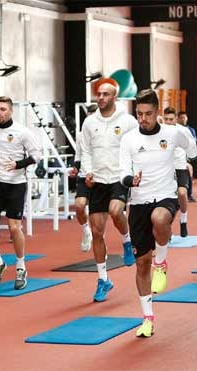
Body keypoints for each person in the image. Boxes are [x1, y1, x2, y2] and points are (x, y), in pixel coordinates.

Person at [120, 89, 197, 337]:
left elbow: (192, 150)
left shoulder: (174, 133)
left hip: (165, 196)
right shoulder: (128, 139)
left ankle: (162, 262)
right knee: (141, 264)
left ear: (157, 112)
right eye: (139, 114)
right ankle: (147, 318)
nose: (143, 119)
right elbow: (122, 172)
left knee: (159, 218)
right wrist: (130, 180)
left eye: (148, 114)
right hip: (138, 201)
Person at [80, 82, 137, 302]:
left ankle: (127, 240)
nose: (101, 97)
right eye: (99, 94)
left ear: (115, 97)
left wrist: (132, 173)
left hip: (119, 177)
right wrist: (87, 172)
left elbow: (136, 146)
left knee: (116, 211)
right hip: (98, 180)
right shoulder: (89, 122)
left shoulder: (127, 121)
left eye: (106, 94)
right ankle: (103, 279)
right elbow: (85, 150)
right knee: (97, 232)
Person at [0, 96, 40, 289]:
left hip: (16, 183)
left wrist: (18, 164)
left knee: (14, 228)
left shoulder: (22, 132)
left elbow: (36, 155)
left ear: (10, 111)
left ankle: (21, 267)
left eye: (3, 109)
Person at [163, 107, 197, 237]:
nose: (168, 122)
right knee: (167, 201)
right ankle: (166, 228)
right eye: (166, 119)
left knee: (182, 193)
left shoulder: (183, 131)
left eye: (171, 119)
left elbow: (191, 148)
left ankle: (183, 221)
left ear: (176, 119)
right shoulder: (159, 130)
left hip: (180, 166)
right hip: (165, 169)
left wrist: (189, 162)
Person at [68, 104, 97, 252]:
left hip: (100, 176)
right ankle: (86, 232)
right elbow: (78, 156)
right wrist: (76, 168)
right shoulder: (80, 135)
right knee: (79, 206)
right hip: (84, 175)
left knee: (96, 217)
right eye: (89, 116)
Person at [177, 111, 197, 202]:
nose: (183, 119)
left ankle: (189, 194)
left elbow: (193, 143)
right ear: (177, 118)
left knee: (189, 174)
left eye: (184, 117)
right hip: (177, 156)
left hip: (187, 155)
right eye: (181, 118)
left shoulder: (191, 130)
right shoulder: (176, 129)